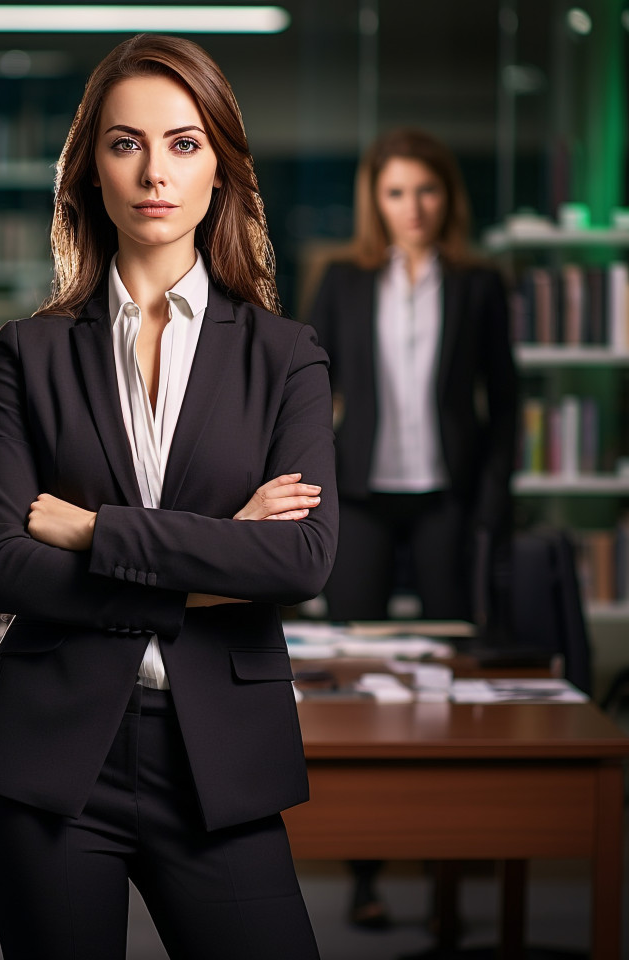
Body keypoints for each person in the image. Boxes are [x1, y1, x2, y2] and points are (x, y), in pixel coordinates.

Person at [0, 34, 338, 960]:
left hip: (220, 758)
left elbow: (298, 559)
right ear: (91, 169)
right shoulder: (29, 352)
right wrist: (212, 557)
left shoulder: (284, 356)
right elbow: (1, 564)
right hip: (53, 763)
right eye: (126, 143)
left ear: (221, 170)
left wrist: (94, 530)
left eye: (183, 142)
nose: (153, 171)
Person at [306, 127, 517, 929]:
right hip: (358, 497)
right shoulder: (343, 281)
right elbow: (307, 396)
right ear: (376, 200)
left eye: (426, 191)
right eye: (396, 193)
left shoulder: (480, 284)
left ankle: (447, 878)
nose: (412, 208)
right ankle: (365, 874)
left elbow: (504, 405)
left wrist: (490, 504)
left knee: (449, 688)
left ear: (446, 198)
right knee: (355, 683)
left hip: (445, 500)